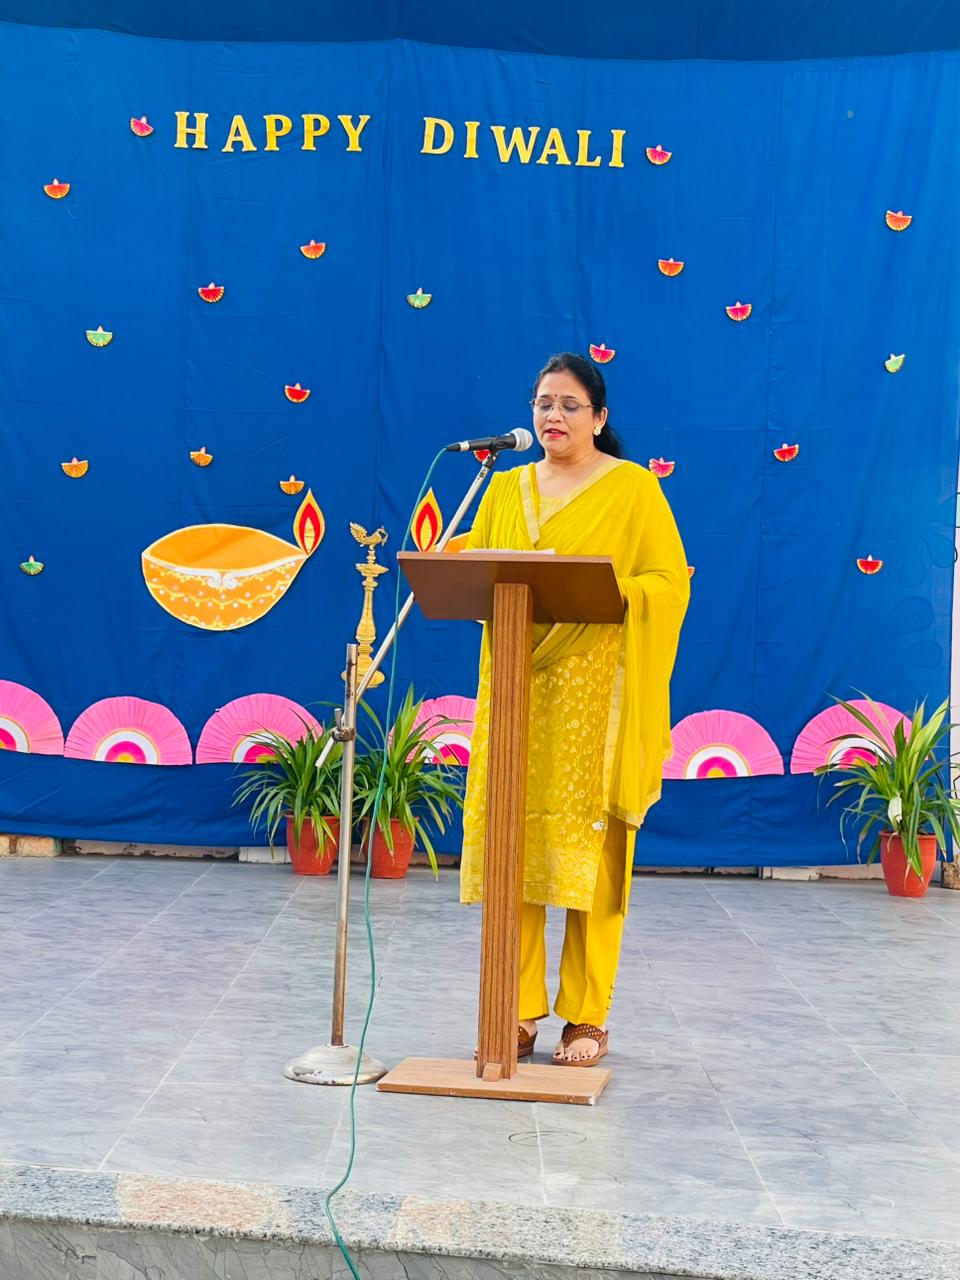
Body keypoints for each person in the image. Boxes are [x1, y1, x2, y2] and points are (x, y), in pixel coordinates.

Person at [461, 352, 689, 1066]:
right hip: (520, 689)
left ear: (599, 417)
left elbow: (668, 582)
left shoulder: (633, 489)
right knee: (516, 842)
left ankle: (587, 1017)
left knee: (595, 854)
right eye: (542, 403)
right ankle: (517, 1007)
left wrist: (616, 592)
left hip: (601, 695)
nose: (552, 415)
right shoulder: (503, 487)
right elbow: (481, 571)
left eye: (567, 404)